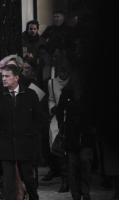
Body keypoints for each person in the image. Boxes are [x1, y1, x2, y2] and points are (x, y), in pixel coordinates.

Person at [0, 64, 43, 200]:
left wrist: (31, 133)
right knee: (8, 182)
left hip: (25, 144)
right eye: (3, 76)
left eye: (7, 76)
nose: (4, 79)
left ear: (16, 77)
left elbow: (39, 118)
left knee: (28, 178)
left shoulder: (30, 94)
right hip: (6, 145)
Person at [55, 68, 95, 200]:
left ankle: (84, 191)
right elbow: (59, 111)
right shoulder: (67, 93)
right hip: (72, 133)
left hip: (85, 133)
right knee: (73, 165)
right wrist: (63, 127)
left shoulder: (88, 94)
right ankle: (77, 194)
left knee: (84, 162)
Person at [48, 58, 72, 193]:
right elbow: (51, 99)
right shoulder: (52, 83)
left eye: (65, 72)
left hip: (71, 117)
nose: (62, 74)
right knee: (59, 149)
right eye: (60, 72)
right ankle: (64, 179)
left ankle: (72, 178)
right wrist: (52, 108)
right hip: (58, 117)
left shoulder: (73, 83)